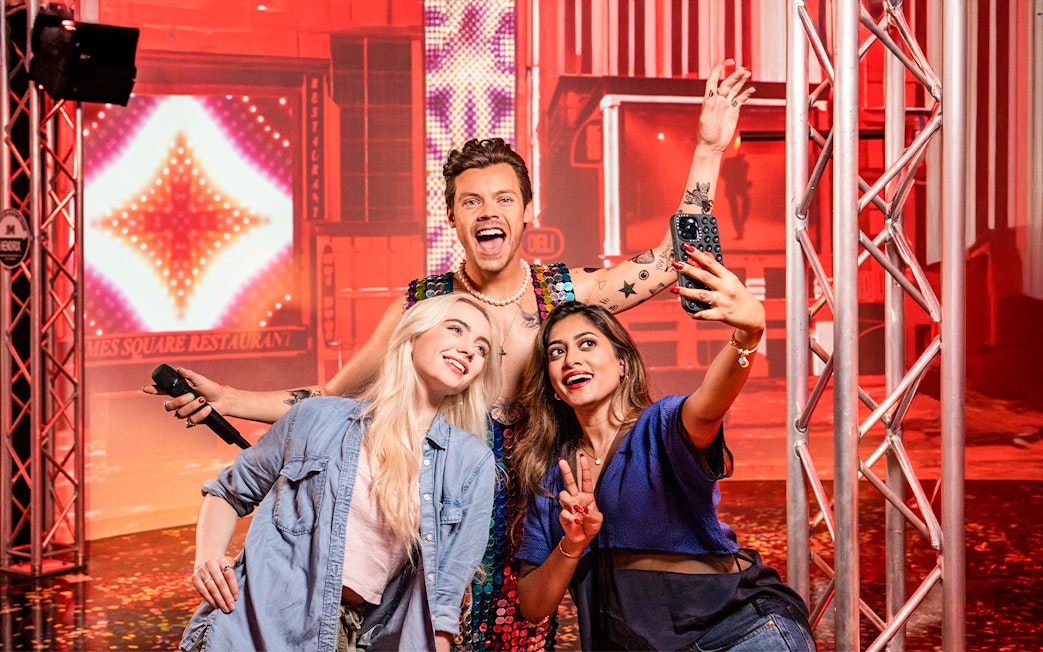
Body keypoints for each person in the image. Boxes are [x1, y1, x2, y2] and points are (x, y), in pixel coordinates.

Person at [150, 59, 755, 650]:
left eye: (502, 199)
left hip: (527, 519)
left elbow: (675, 259)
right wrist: (230, 400)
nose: (488, 211)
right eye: (471, 202)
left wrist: (706, 150)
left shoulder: (562, 294)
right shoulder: (423, 310)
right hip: (430, 515)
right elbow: (333, 399)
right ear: (453, 218)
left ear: (525, 211)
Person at [512, 266, 816, 650]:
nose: (572, 358)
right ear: (553, 387)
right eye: (557, 352)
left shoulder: (661, 426)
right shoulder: (551, 477)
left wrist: (747, 336)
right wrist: (573, 542)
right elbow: (534, 605)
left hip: (740, 636)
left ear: (623, 364)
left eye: (587, 343)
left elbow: (708, 406)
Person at [179, 294, 501, 652]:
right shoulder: (315, 417)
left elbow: (442, 603)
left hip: (349, 634)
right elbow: (228, 492)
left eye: (482, 348)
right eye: (455, 329)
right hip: (251, 623)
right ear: (413, 337)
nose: (469, 350)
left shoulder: (471, 463)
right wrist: (207, 559)